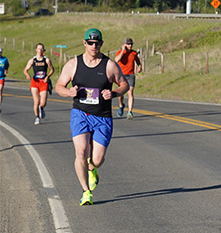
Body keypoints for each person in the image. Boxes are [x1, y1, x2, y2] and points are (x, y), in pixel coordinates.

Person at [55, 28, 128, 206]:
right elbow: (58, 86)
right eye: (90, 43)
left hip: (102, 117)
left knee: (97, 159)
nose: (94, 46)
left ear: (101, 44)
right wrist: (68, 92)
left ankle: (92, 169)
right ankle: (86, 192)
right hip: (80, 114)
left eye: (97, 43)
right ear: (84, 43)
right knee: (80, 152)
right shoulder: (73, 64)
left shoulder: (109, 65)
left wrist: (114, 93)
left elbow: (124, 84)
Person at [23, 43, 55, 125]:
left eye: (41, 49)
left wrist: (48, 76)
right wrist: (27, 75)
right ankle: (37, 117)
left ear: (43, 51)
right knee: (36, 101)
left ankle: (41, 108)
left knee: (43, 102)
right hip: (35, 82)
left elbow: (52, 69)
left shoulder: (46, 60)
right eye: (38, 49)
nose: (40, 50)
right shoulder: (32, 60)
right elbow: (25, 70)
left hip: (43, 82)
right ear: (36, 50)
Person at [114, 37, 142, 119]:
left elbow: (137, 61)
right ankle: (121, 105)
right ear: (124, 44)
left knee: (130, 92)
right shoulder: (120, 52)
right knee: (121, 93)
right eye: (128, 44)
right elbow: (116, 60)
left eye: (131, 44)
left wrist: (139, 67)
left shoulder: (134, 53)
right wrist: (123, 50)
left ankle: (130, 112)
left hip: (131, 75)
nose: (130, 45)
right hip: (121, 75)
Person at [0, 47, 8, 112]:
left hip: (1, 77)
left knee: (0, 91)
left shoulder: (4, 59)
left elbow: (7, 65)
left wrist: (6, 69)